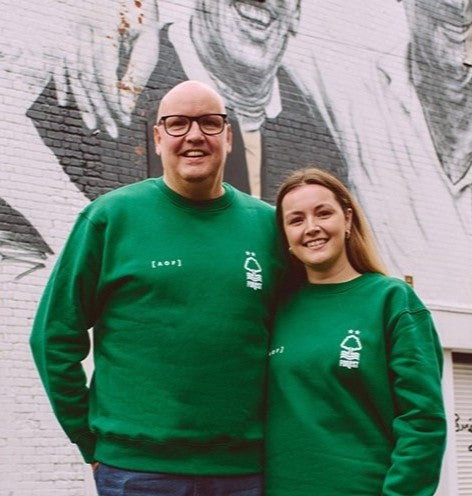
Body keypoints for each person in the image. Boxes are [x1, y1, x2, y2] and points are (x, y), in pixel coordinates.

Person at [30, 80, 285, 496]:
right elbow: (53, 335)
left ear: (228, 137)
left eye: (209, 122)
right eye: (178, 123)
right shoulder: (110, 218)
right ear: (158, 137)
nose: (194, 135)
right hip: (138, 472)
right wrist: (87, 438)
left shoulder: (269, 227)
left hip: (244, 472)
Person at [265, 167, 446, 495]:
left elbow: (423, 421)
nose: (311, 227)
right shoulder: (275, 308)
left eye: (323, 213)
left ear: (348, 220)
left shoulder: (392, 300)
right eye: (296, 220)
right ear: (286, 237)